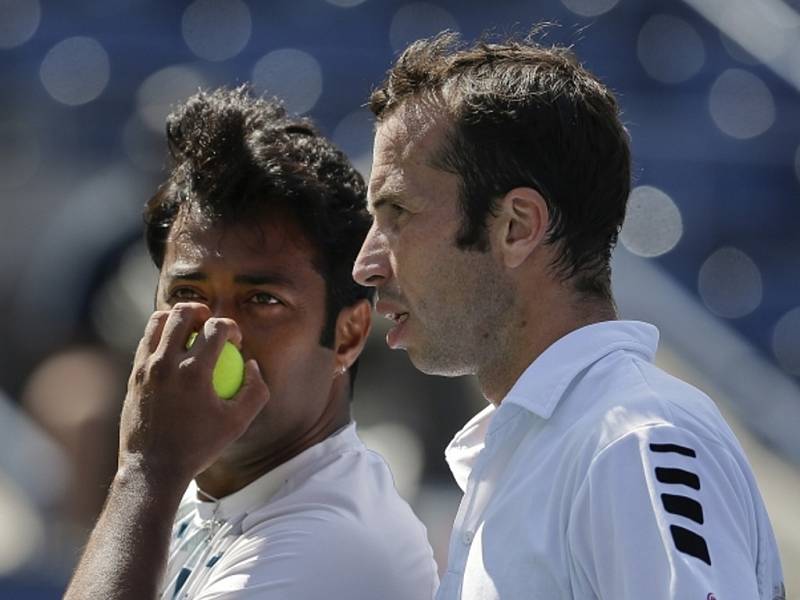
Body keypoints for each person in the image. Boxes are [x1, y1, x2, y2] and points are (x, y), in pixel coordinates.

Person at [352, 31, 785, 600]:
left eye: (399, 213)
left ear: (517, 227)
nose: (366, 264)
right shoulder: (554, 445)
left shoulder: (631, 442)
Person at [64, 87, 439, 600]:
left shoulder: (331, 546)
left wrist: (144, 469)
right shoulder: (194, 500)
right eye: (187, 294)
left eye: (261, 300)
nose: (218, 332)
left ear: (349, 334)